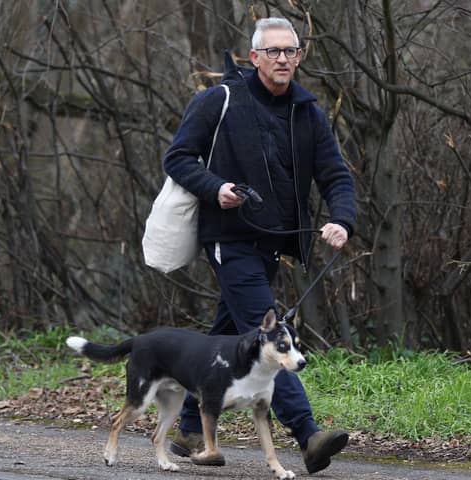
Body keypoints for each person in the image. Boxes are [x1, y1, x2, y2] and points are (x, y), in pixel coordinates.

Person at [162, 17, 357, 475]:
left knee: (228, 329)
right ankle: (307, 434)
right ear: (254, 57)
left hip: (273, 245)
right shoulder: (220, 100)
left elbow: (336, 176)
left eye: (290, 51)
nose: (283, 59)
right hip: (228, 239)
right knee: (267, 329)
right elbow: (178, 157)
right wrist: (216, 188)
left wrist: (341, 220)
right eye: (273, 51)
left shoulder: (307, 113)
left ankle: (191, 427)